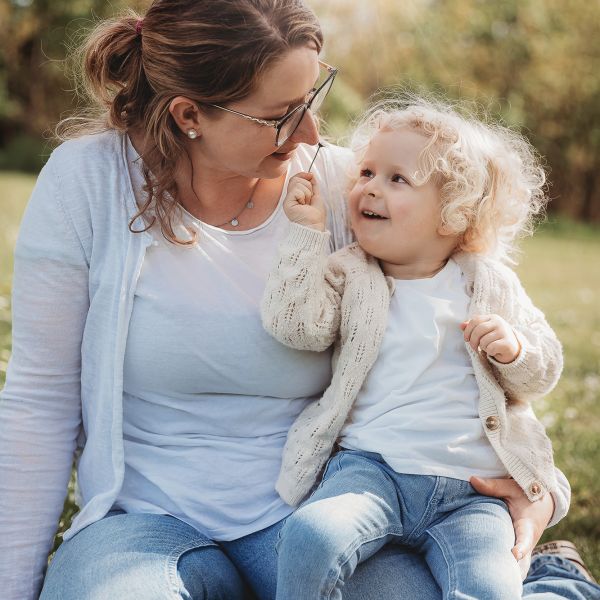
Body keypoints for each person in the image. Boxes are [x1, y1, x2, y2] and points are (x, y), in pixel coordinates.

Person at [0, 1, 596, 599]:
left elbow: (457, 316)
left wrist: (533, 481)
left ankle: (550, 579)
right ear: (189, 115)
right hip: (141, 524)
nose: (313, 133)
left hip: (319, 511)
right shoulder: (90, 182)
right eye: (282, 115)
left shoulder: (348, 191)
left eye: (313, 97)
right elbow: (39, 403)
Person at [260, 96, 589, 599]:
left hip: (473, 493)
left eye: (397, 179)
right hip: (373, 472)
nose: (369, 186)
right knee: (311, 535)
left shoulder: (488, 284)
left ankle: (559, 582)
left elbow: (541, 371)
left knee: (491, 586)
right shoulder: (350, 271)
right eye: (367, 171)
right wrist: (306, 234)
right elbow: (298, 326)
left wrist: (515, 349)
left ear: (452, 215)